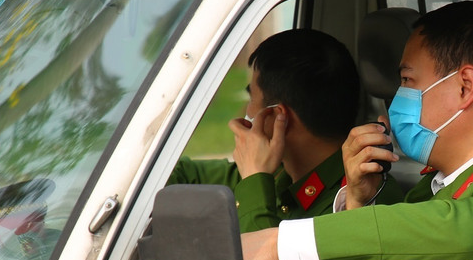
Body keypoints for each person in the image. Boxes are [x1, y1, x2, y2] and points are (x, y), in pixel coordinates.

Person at [241, 0, 473, 260]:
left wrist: (282, 243)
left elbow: (458, 231)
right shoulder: (434, 186)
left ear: (465, 87)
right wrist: (360, 201)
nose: (397, 98)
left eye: (407, 81)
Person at [169, 29, 400, 233]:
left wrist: (255, 180)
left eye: (251, 98)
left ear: (278, 116)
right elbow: (175, 176)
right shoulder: (282, 172)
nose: (244, 112)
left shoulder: (364, 196)